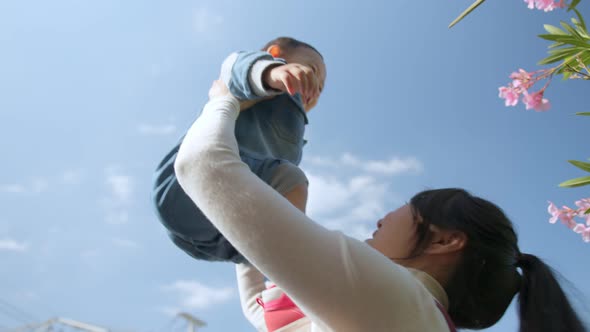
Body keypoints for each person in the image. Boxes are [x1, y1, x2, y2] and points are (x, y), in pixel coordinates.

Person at [173, 79, 587, 331]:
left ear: (446, 241)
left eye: (408, 206)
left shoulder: (397, 300)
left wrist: (225, 99)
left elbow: (202, 166)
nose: (383, 216)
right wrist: (260, 220)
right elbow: (264, 315)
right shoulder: (407, 317)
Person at [152, 36, 326, 264]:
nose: (315, 86)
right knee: (291, 180)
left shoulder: (294, 135)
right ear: (276, 54)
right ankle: (294, 262)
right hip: (188, 188)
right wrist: (272, 73)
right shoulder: (266, 82)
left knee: (261, 244)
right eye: (311, 70)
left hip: (222, 235)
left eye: (320, 88)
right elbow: (236, 69)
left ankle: (273, 286)